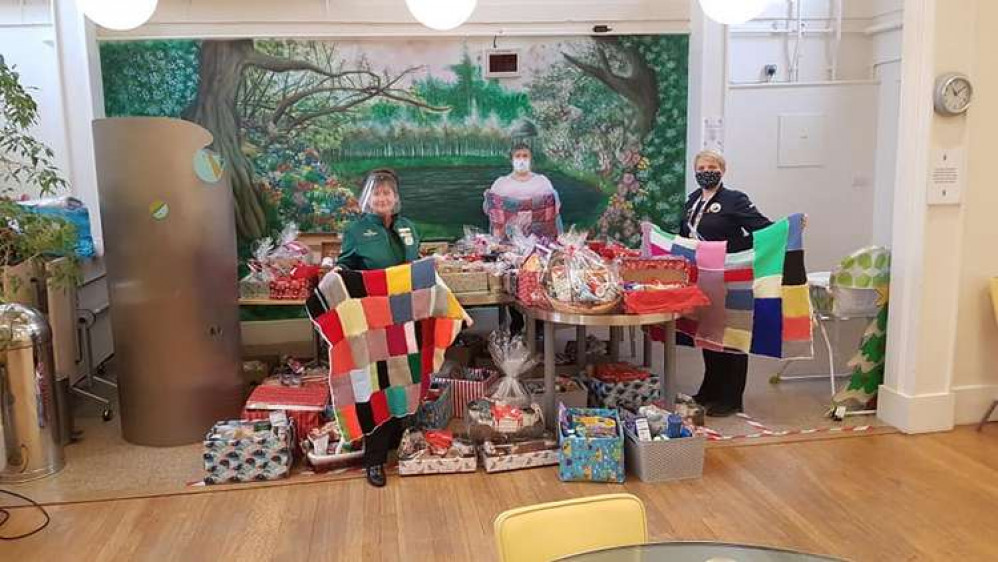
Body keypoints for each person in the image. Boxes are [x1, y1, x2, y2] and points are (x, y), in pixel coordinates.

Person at [336, 168, 420, 487]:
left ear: (395, 197)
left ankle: (401, 447)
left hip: (406, 317)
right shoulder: (357, 231)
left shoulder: (409, 227)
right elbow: (345, 269)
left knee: (405, 382)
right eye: (377, 193)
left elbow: (414, 264)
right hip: (373, 323)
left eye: (388, 193)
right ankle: (374, 460)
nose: (383, 198)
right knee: (376, 388)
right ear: (367, 199)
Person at [679, 150, 772, 418]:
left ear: (722, 170)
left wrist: (788, 229)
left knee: (732, 337)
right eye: (701, 167)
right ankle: (710, 389)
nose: (706, 171)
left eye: (711, 166)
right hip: (703, 278)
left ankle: (731, 398)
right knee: (709, 335)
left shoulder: (734, 200)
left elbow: (762, 228)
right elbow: (683, 235)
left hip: (731, 277)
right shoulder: (692, 201)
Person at [484, 143, 562, 334]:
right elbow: (490, 211)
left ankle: (539, 325)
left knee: (538, 279)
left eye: (525, 155)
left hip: (538, 243)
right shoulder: (501, 183)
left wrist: (529, 216)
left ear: (530, 158)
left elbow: (555, 209)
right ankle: (516, 321)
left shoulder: (542, 182)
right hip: (511, 245)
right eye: (518, 156)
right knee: (513, 279)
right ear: (512, 159)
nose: (521, 159)